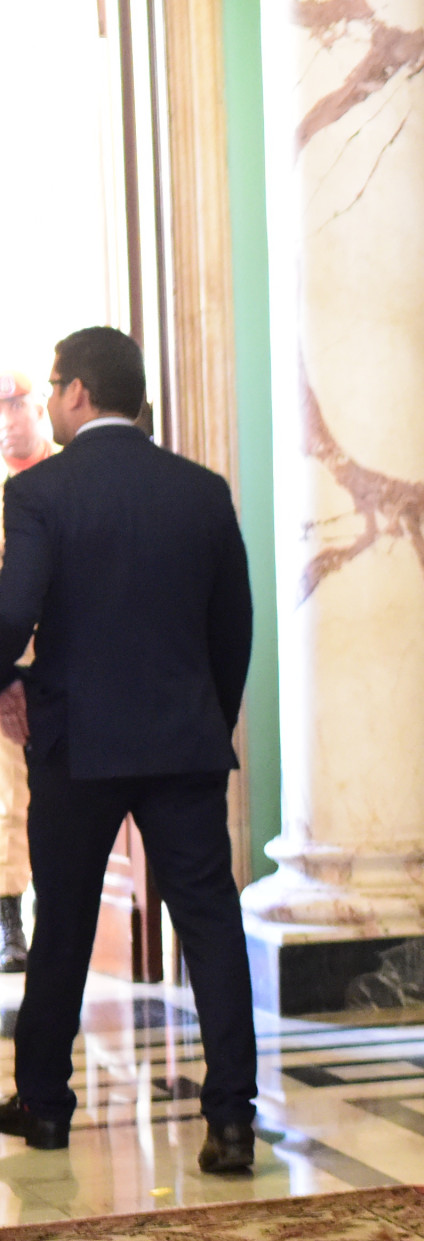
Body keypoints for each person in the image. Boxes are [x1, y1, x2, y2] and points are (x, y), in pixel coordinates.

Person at [0, 327, 256, 1171]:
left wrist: (5, 685)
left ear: (77, 392)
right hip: (185, 744)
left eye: (51, 389)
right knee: (211, 925)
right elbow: (234, 627)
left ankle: (43, 1105)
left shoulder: (38, 492)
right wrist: (208, 719)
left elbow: (13, 613)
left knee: (64, 925)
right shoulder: (202, 491)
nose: (48, 403)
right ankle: (232, 1119)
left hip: (77, 744)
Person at [0, 369, 53, 972]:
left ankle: (67, 912)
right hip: (8, 668)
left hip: (72, 661)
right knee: (10, 798)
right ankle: (10, 918)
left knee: (73, 793)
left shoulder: (70, 476)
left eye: (16, 406)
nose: (8, 420)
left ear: (40, 406)